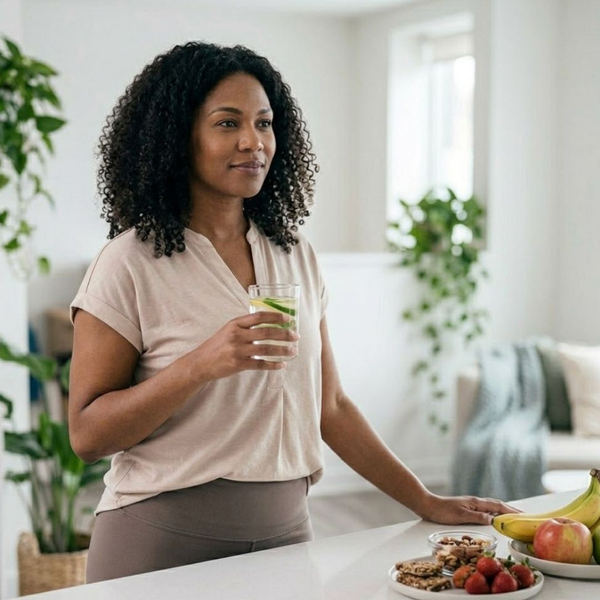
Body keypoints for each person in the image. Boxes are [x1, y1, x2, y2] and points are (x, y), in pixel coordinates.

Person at [69, 41, 514, 584]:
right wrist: (199, 364)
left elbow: (330, 406)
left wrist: (423, 499)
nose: (253, 142)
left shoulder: (292, 252)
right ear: (177, 136)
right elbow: (87, 436)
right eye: (227, 123)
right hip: (160, 540)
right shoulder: (129, 263)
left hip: (287, 534)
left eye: (264, 123)